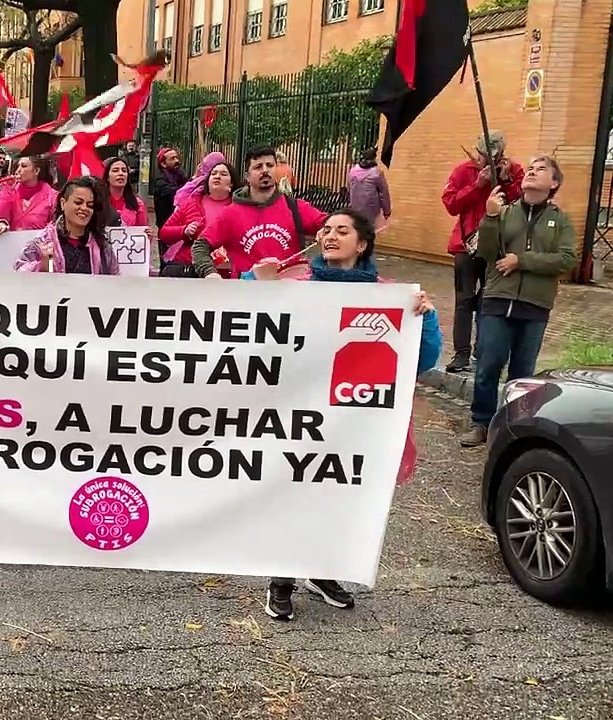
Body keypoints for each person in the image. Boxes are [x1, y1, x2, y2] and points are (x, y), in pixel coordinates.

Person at [245, 208, 442, 621]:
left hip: (354, 418)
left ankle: (322, 571)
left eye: (342, 230)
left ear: (362, 243)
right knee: (293, 490)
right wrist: (254, 283)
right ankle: (281, 577)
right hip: (298, 412)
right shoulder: (295, 284)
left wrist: (424, 318)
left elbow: (421, 360)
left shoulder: (392, 296)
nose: (330, 235)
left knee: (341, 495)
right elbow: (245, 329)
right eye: (326, 229)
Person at [460, 156, 575, 447]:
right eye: (531, 168)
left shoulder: (559, 220)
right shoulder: (505, 211)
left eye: (542, 170)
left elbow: (566, 259)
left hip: (535, 305)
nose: (533, 172)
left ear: (554, 183)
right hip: (498, 299)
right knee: (488, 364)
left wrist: (520, 260)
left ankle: (513, 426)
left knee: (523, 372)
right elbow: (485, 252)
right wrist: (489, 217)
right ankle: (481, 422)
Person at [442, 131, 524, 373]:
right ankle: (461, 353)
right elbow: (451, 204)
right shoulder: (462, 171)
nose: (482, 159)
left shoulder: (514, 170)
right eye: (480, 153)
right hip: (466, 244)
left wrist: (507, 182)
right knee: (464, 299)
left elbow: (520, 206)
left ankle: (483, 350)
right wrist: (477, 185)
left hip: (498, 246)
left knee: (489, 301)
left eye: (489, 156)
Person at [193, 146, 327, 278]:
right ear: (247, 176)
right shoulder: (230, 214)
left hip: (288, 294)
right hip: (245, 294)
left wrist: (327, 230)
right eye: (258, 167)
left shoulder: (296, 207)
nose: (265, 171)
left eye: (270, 165)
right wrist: (210, 274)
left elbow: (333, 223)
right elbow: (200, 246)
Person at [14, 176, 119, 275]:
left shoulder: (101, 245)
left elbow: (114, 279)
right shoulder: (45, 241)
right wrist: (43, 267)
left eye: (90, 205)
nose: (84, 208)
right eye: (78, 203)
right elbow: (20, 272)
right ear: (63, 203)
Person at [160, 154, 235, 277]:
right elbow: (164, 233)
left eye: (223, 174)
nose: (217, 176)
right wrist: (184, 231)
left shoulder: (238, 208)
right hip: (188, 268)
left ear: (231, 183)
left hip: (223, 273)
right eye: (214, 173)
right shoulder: (191, 202)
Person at [0, 156, 58, 234]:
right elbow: (0, 216)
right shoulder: (11, 192)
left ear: (36, 171)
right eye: (18, 166)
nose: (17, 171)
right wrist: (1, 223)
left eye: (23, 166)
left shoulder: (52, 197)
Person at [348, 147, 391, 229]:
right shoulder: (376, 173)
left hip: (355, 207)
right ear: (374, 158)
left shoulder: (353, 170)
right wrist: (387, 211)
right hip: (372, 209)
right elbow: (384, 193)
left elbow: (351, 188)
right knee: (370, 230)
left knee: (358, 230)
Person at [103, 156, 148, 227]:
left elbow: (142, 230)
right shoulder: (98, 201)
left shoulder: (137, 204)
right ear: (107, 176)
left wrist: (147, 234)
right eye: (115, 170)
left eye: (124, 170)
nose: (121, 173)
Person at [151, 147, 187, 230]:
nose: (177, 161)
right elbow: (175, 193)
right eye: (172, 159)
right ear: (163, 164)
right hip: (166, 223)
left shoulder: (180, 174)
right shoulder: (160, 179)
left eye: (176, 157)